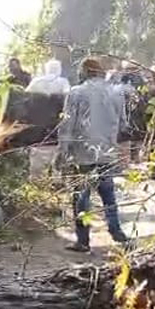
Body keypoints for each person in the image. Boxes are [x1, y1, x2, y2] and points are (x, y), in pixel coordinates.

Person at [58, 57, 130, 252]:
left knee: (81, 197)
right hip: (107, 151)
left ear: (84, 72)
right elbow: (124, 124)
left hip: (83, 153)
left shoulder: (76, 92)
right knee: (108, 194)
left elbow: (67, 125)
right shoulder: (116, 92)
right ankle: (117, 233)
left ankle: (83, 241)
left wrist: (62, 152)